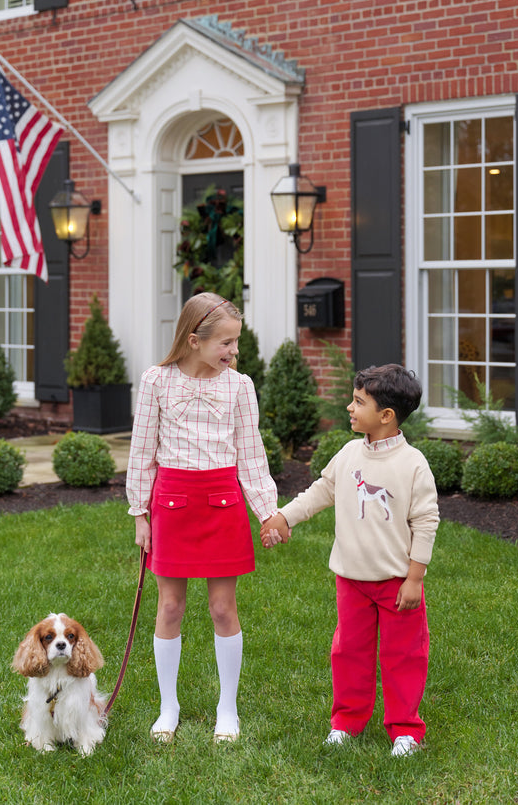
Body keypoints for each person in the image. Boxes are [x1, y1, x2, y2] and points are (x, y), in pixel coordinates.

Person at [260, 364, 439, 757]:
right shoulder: (347, 454)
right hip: (351, 580)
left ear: (386, 416)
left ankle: (405, 730)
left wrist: (415, 578)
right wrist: (285, 517)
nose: (349, 407)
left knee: (404, 657)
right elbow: (321, 491)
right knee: (349, 653)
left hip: (396, 583)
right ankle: (346, 723)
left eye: (359, 402)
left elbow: (426, 522)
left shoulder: (413, 465)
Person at [127, 292, 278, 743]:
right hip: (171, 505)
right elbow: (142, 452)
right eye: (226, 343)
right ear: (194, 340)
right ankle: (167, 706)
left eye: (236, 342)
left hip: (222, 504)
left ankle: (226, 708)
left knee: (221, 608)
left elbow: (251, 456)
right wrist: (140, 512)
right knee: (170, 607)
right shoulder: (156, 381)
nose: (234, 352)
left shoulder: (239, 386)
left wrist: (267, 511)